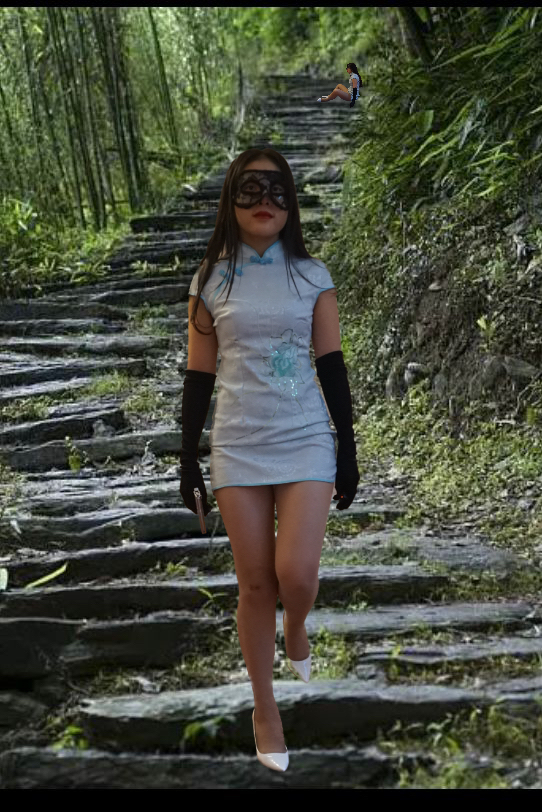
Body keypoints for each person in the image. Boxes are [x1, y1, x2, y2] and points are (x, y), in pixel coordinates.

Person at [179, 148, 360, 772]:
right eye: (251, 189)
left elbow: (331, 364)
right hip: (237, 443)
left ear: (292, 202)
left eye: (277, 189)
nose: (264, 201)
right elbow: (198, 376)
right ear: (230, 198)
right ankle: (266, 710)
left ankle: (298, 626)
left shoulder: (311, 274)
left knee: (297, 576)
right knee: (256, 583)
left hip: (306, 436)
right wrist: (187, 458)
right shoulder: (212, 278)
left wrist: (348, 446)